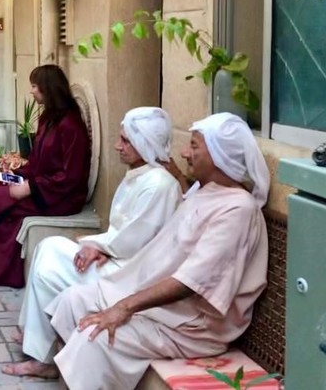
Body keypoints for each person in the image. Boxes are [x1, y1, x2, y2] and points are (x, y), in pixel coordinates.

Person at [43, 112, 270, 390]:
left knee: (95, 337)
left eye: (194, 146)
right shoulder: (207, 191)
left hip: (192, 325)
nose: (184, 153)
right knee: (72, 301)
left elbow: (191, 283)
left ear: (219, 156)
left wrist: (123, 307)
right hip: (163, 306)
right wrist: (109, 255)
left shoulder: (238, 210)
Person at [3, 107, 182, 379]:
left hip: (129, 274)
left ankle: (45, 358)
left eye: (125, 140)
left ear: (144, 143)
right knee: (47, 247)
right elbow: (126, 235)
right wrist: (101, 248)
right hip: (117, 258)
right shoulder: (141, 175)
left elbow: (135, 242)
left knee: (49, 268)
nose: (117, 146)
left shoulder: (158, 184)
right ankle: (34, 336)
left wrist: (97, 246)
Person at [0, 65, 91, 288]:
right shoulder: (48, 119)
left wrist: (30, 187)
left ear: (48, 88)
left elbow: (71, 176)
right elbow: (37, 162)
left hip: (59, 197)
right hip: (41, 186)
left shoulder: (71, 125)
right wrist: (15, 175)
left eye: (34, 86)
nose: (31, 91)